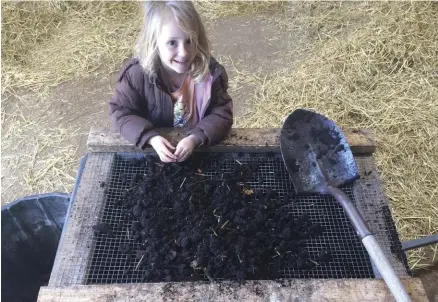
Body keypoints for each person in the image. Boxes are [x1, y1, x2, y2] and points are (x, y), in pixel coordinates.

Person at [109, 1, 233, 163]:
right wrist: (150, 138)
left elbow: (222, 112)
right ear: (154, 43)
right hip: (153, 153)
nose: (183, 52)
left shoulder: (208, 72)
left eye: (189, 40)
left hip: (198, 149)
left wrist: (196, 137)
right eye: (172, 43)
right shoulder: (137, 75)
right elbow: (121, 113)